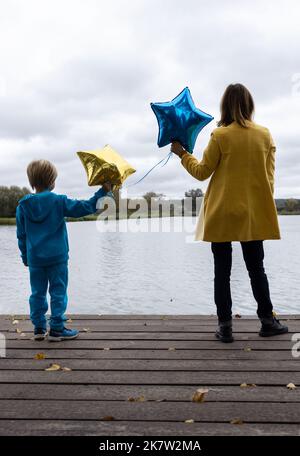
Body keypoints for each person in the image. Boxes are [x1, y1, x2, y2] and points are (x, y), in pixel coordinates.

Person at [171, 83, 288, 343]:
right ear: (250, 105)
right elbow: (269, 180)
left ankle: (225, 328)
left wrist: (183, 154)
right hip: (251, 214)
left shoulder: (220, 135)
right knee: (257, 269)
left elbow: (201, 172)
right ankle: (267, 321)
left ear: (224, 106)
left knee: (221, 272)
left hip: (222, 213)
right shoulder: (265, 135)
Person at [16, 159, 111, 341]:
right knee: (58, 292)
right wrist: (103, 191)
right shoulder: (59, 201)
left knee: (37, 293)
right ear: (52, 181)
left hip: (35, 259)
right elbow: (86, 207)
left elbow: (21, 236)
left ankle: (38, 328)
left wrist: (25, 257)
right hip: (57, 258)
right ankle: (57, 329)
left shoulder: (23, 206)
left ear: (32, 182)